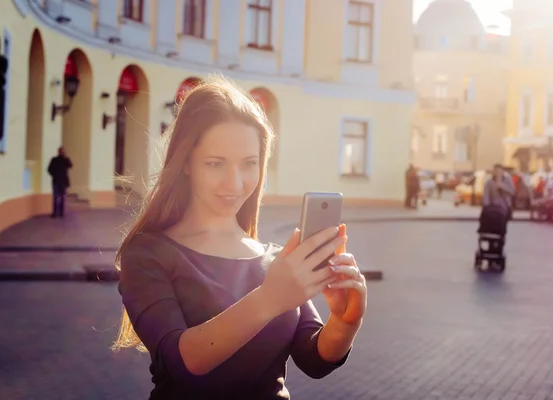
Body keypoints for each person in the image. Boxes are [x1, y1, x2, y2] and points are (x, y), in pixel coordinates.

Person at [112, 77, 367, 399]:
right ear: (186, 163)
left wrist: (345, 322)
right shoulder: (149, 252)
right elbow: (181, 362)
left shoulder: (275, 259)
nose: (234, 183)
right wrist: (270, 298)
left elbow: (314, 359)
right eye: (215, 163)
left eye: (249, 164)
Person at [479, 164, 515, 234]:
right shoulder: (489, 182)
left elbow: (512, 192)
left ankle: (502, 233)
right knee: (485, 215)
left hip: (504, 205)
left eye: (499, 171)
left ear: (502, 172)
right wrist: (486, 204)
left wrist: (503, 187)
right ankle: (484, 229)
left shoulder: (507, 180)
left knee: (503, 219)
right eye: (495, 171)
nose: (497, 173)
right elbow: (486, 194)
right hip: (492, 205)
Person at [47, 146, 73, 218]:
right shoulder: (54, 159)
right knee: (55, 197)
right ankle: (55, 213)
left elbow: (70, 165)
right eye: (61, 151)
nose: (62, 152)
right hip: (56, 181)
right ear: (58, 151)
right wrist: (54, 175)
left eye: (63, 151)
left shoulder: (66, 160)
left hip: (63, 182)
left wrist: (66, 157)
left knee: (62, 198)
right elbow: (49, 169)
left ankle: (61, 213)